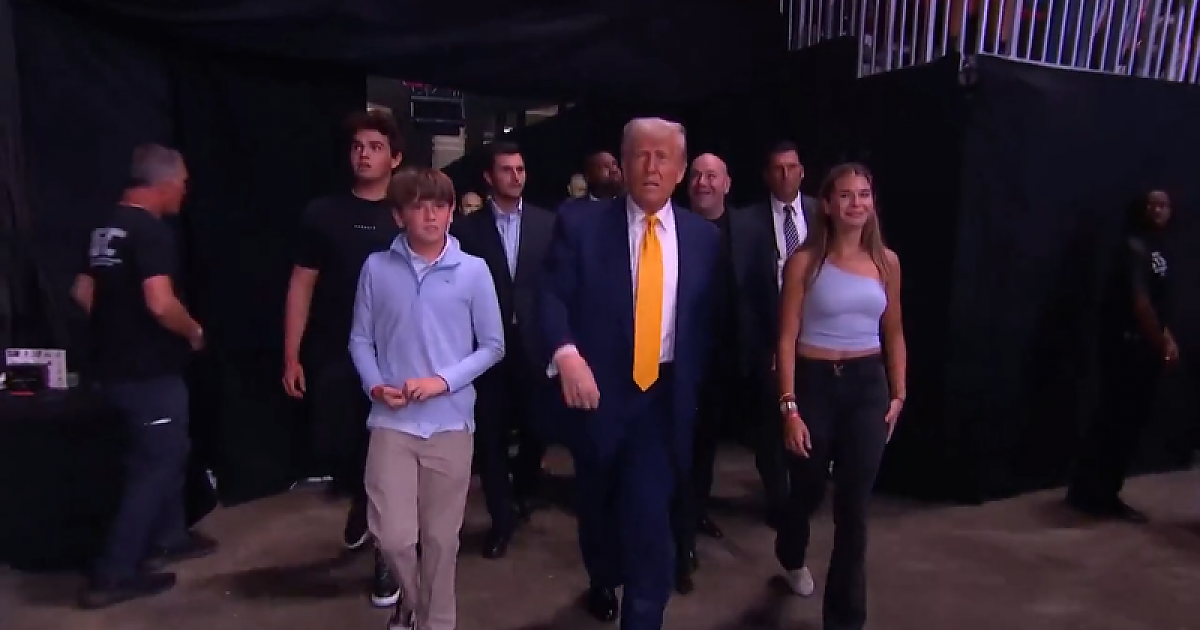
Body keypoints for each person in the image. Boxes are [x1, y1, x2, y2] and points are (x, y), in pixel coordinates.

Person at [540, 117, 720, 629]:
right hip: (596, 393)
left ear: (681, 170)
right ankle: (602, 573)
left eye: (663, 157)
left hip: (661, 400)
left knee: (649, 526)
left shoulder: (703, 239)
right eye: (641, 155)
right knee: (597, 513)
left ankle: (642, 614)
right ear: (622, 164)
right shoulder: (581, 225)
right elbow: (550, 295)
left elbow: (710, 323)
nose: (651, 166)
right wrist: (566, 354)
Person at [350, 167, 504, 630]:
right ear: (399, 216)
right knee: (393, 537)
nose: (431, 216)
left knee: (441, 541)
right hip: (391, 422)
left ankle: (437, 623)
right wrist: (375, 385)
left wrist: (443, 381)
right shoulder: (376, 268)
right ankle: (414, 604)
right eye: (419, 207)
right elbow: (360, 340)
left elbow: (493, 345)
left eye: (440, 206)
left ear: (452, 212)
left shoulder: (473, 271)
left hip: (451, 423)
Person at [70, 144, 217, 609]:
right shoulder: (150, 230)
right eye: (183, 183)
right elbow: (159, 302)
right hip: (147, 372)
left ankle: (169, 536)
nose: (184, 191)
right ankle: (113, 574)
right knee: (155, 466)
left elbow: (82, 291)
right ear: (164, 183)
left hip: (113, 368)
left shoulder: (105, 226)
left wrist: (114, 329)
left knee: (166, 452)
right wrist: (193, 331)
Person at [774, 163, 906, 630]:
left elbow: (894, 331)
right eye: (846, 195)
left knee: (854, 510)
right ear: (827, 204)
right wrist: (789, 405)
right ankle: (790, 547)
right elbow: (786, 337)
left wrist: (898, 393)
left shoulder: (887, 262)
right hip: (815, 383)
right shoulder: (805, 263)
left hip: (867, 387)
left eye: (864, 194)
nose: (856, 203)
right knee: (808, 487)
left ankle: (845, 621)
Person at [282, 109, 404, 607]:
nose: (364, 154)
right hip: (335, 352)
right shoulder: (323, 214)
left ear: (395, 158)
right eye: (357, 146)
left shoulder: (409, 212)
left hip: (398, 357)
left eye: (375, 146)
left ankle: (387, 559)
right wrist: (291, 355)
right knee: (346, 450)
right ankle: (359, 498)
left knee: (389, 459)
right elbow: (301, 285)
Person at [672, 153, 780, 595]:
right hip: (684, 359)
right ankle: (682, 538)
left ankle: (699, 512)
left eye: (711, 176)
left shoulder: (751, 230)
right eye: (697, 175)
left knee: (731, 442)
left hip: (738, 357)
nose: (703, 182)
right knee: (689, 447)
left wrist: (774, 349)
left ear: (727, 183)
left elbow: (766, 293)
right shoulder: (672, 226)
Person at [450, 141, 555, 559]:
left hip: (534, 344)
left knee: (538, 427)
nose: (515, 176)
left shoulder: (548, 224)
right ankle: (500, 520)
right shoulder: (467, 231)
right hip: (485, 348)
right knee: (490, 436)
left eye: (520, 169)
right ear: (489, 177)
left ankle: (524, 489)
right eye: (506, 170)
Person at [1066, 189, 1178, 522]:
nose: (1159, 209)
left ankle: (1102, 491)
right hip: (1127, 346)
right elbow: (1140, 302)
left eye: (1164, 204)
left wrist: (1167, 338)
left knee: (1127, 423)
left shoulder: (1158, 249)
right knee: (1115, 419)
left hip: (1144, 346)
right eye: (1153, 203)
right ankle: (1091, 493)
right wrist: (1160, 342)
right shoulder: (1134, 247)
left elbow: (1157, 302)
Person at [745, 141, 818, 290]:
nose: (786, 175)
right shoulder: (748, 221)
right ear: (767, 176)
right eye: (778, 169)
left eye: (792, 167)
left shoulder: (820, 212)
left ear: (802, 172)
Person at [557, 150, 623, 212]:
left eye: (615, 164)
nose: (614, 170)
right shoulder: (571, 210)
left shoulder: (626, 204)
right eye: (605, 167)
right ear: (589, 176)